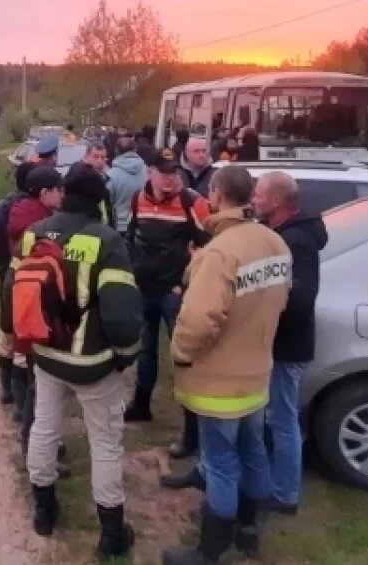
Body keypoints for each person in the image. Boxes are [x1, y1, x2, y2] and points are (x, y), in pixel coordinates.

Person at [162, 166, 292, 565]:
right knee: (254, 450)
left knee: (220, 462)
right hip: (257, 373)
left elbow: (199, 319)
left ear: (216, 195)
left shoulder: (220, 252)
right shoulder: (274, 242)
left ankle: (210, 551)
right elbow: (281, 299)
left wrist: (181, 354)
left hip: (219, 383)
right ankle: (249, 530)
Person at [20, 163, 144, 561]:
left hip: (45, 353)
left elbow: (19, 289)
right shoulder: (106, 241)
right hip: (92, 362)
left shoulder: (35, 233)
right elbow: (122, 318)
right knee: (105, 443)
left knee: (44, 428)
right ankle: (112, 533)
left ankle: (44, 509)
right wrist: (126, 356)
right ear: (99, 199)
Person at [252, 171, 328, 515]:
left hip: (287, 346)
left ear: (277, 201)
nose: (254, 199)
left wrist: (264, 302)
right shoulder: (285, 233)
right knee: (276, 416)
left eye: (258, 195)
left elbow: (300, 298)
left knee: (283, 419)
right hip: (281, 344)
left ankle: (285, 495)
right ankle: (273, 481)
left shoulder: (296, 241)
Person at [124, 148, 211, 425]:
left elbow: (210, 245)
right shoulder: (137, 199)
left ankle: (192, 422)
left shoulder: (191, 202)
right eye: (164, 173)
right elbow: (130, 237)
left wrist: (184, 282)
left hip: (174, 293)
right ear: (150, 173)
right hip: (143, 289)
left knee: (183, 356)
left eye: (174, 172)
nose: (170, 178)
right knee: (146, 350)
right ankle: (141, 406)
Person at [6, 167, 65, 429]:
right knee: (37, 379)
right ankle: (33, 436)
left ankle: (21, 414)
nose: (63, 195)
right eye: (58, 190)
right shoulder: (42, 228)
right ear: (45, 193)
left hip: (17, 301)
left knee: (25, 365)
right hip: (34, 309)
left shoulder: (18, 214)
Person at [0, 162, 37, 406]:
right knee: (24, 337)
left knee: (6, 331)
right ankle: (21, 402)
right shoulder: (35, 212)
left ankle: (6, 389)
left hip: (5, 273)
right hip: (26, 278)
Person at [107, 132, 146, 230]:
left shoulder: (111, 175)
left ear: (116, 151)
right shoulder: (148, 171)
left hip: (120, 226)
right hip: (142, 223)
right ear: (135, 150)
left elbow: (107, 203)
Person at [83, 141, 115, 227]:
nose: (100, 161)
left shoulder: (106, 180)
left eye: (103, 157)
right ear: (86, 157)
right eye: (96, 157)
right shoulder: (80, 181)